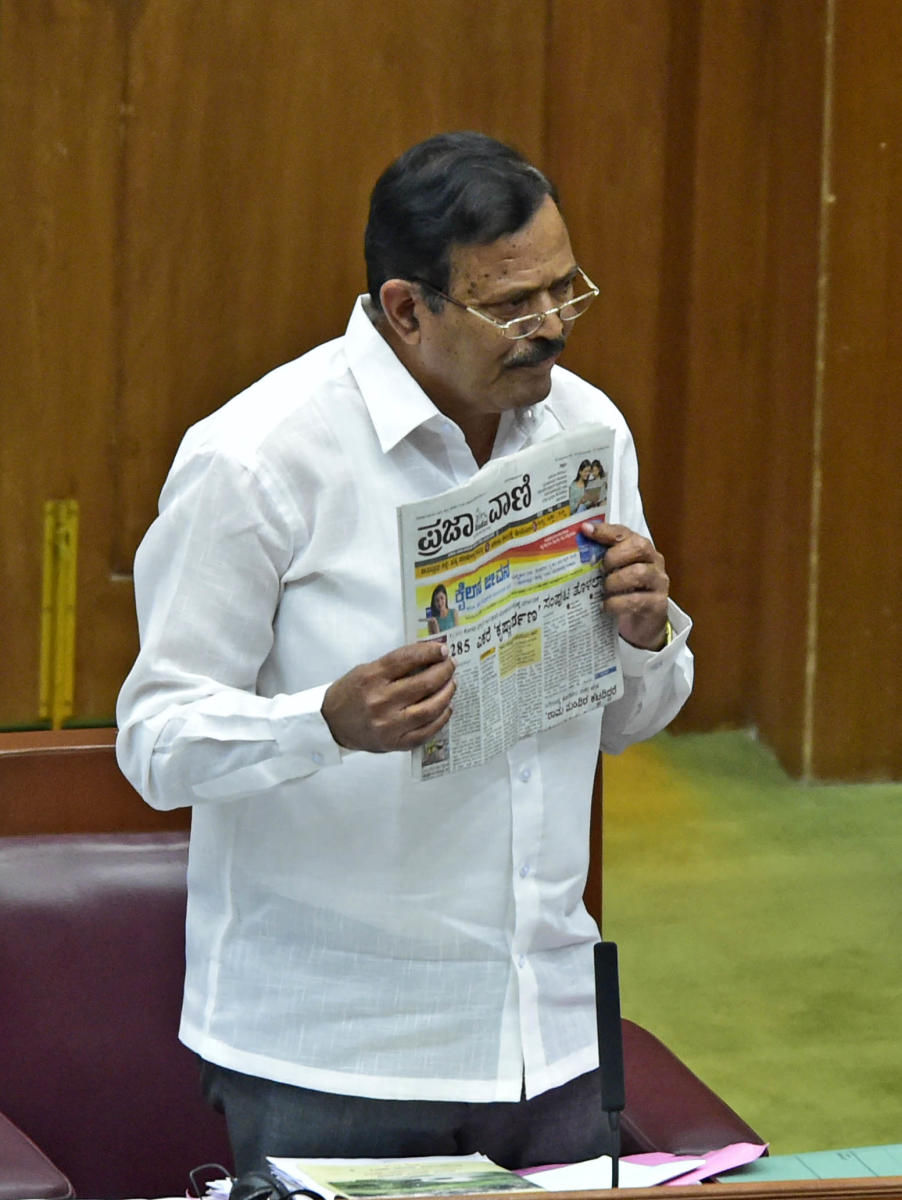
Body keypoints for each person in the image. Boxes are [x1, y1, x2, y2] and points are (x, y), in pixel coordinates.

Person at [116, 132, 693, 1175]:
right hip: (337, 1051)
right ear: (404, 308)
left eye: (566, 289)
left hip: (546, 1030)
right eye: (512, 305)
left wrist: (648, 635)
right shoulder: (257, 458)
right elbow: (154, 743)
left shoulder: (587, 431)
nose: (553, 327)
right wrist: (323, 723)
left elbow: (627, 718)